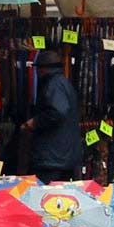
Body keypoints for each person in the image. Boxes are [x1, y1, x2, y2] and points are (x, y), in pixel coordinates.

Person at [21, 49, 81, 184]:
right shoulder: (63, 83)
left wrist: (35, 122)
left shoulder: (53, 85)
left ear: (43, 69)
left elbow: (58, 111)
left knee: (45, 192)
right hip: (62, 156)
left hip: (52, 158)